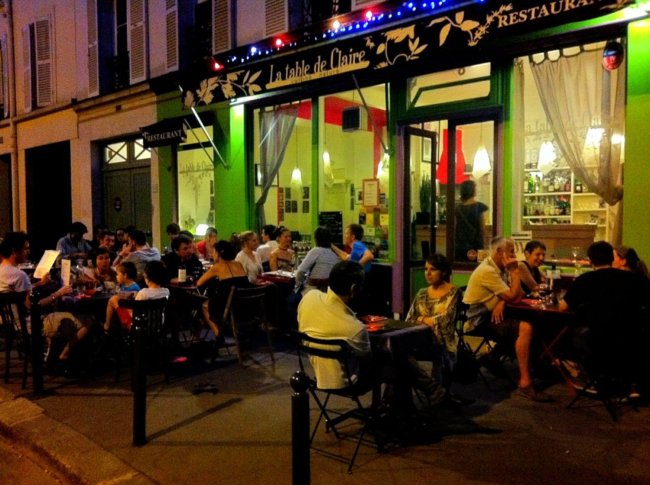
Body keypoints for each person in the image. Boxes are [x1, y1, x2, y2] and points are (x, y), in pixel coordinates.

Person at [298, 260, 446, 406]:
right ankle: (406, 408)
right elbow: (368, 360)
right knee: (399, 361)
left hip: (318, 375)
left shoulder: (309, 299)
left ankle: (399, 401)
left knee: (396, 355)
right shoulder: (354, 328)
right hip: (348, 382)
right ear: (354, 289)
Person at [463, 236, 552, 402]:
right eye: (511, 252)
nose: (514, 257)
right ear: (499, 252)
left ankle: (533, 365)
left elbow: (517, 295)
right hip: (480, 322)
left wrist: (503, 300)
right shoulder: (487, 271)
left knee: (536, 321)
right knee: (526, 327)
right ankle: (525, 382)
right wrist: (514, 272)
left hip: (496, 316)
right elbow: (516, 297)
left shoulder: (499, 268)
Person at [559, 241, 650, 396]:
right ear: (611, 257)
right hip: (631, 338)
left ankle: (587, 375)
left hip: (598, 339)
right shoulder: (634, 279)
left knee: (570, 334)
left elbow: (562, 307)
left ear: (590, 260)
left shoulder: (585, 280)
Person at [405, 254, 461, 393]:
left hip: (443, 341)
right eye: (425, 269)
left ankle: (435, 391)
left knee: (437, 352)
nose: (428, 273)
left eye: (433, 269)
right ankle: (397, 402)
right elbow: (409, 319)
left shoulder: (453, 291)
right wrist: (427, 320)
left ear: (443, 272)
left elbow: (446, 319)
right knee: (397, 354)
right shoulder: (421, 293)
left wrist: (421, 319)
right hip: (421, 340)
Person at [196, 240, 250, 337]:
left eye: (213, 251)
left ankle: (218, 335)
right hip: (246, 306)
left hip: (229, 307)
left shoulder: (217, 267)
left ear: (218, 253)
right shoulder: (239, 264)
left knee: (204, 305)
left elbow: (199, 283)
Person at [104, 260, 170, 332]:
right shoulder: (166, 292)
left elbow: (135, 311)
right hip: (158, 327)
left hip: (139, 328)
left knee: (113, 299)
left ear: (146, 276)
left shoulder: (143, 293)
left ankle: (107, 326)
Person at [294, 226, 340, 295]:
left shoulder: (315, 251)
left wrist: (299, 285)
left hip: (313, 291)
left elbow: (300, 271)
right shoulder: (335, 255)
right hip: (329, 293)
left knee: (290, 299)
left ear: (316, 239)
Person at [454, 180, 488, 262]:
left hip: (460, 246)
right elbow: (482, 228)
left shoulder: (457, 209)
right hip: (476, 245)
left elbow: (454, 228)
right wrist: (486, 244)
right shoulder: (479, 207)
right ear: (473, 191)